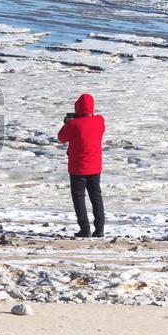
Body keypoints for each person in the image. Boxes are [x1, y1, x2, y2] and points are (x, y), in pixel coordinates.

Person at [57, 93, 106, 238]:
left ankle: (85, 229)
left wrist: (67, 122)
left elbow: (61, 137)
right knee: (96, 197)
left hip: (78, 168)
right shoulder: (99, 121)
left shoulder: (73, 124)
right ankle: (100, 229)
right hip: (95, 166)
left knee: (79, 198)